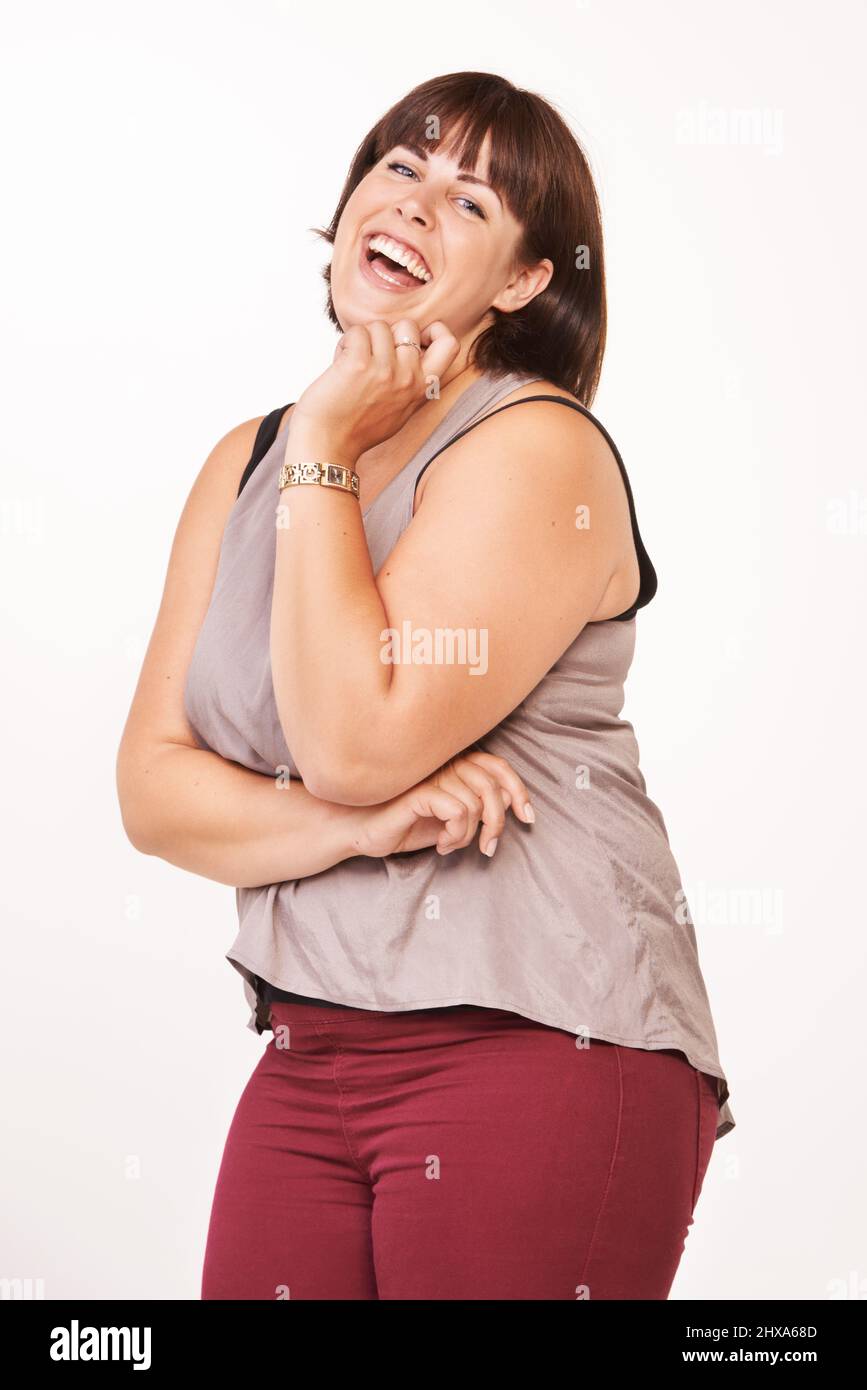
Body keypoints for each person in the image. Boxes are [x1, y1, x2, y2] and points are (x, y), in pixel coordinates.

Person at [116, 70, 735, 1301]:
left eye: (471, 198)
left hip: (540, 1042)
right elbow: (154, 792)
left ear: (522, 281)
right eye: (402, 167)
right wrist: (364, 825)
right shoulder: (246, 460)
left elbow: (356, 739)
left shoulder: (533, 444)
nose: (413, 203)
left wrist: (333, 450)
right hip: (308, 1049)